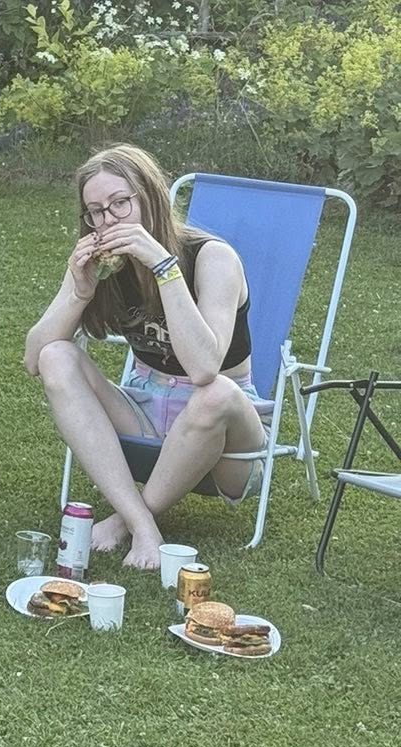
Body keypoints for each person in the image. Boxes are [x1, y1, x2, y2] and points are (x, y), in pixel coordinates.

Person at [24, 143, 268, 571]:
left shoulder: (213, 258)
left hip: (226, 440)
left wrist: (163, 266)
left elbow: (204, 368)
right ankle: (143, 524)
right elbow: (34, 357)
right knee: (56, 357)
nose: (108, 221)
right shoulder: (107, 267)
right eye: (95, 212)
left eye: (120, 203)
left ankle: (124, 520)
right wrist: (78, 291)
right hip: (145, 412)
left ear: (151, 197)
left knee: (215, 393)